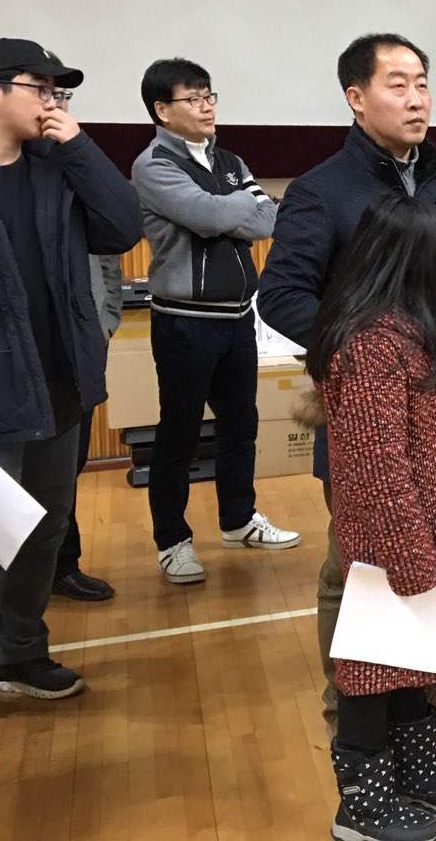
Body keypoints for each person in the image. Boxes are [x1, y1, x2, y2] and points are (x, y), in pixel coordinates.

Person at [257, 33, 436, 735]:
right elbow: (282, 296)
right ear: (356, 98)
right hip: (370, 408)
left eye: (422, 82)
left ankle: (432, 679)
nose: (417, 98)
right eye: (398, 84)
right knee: (359, 559)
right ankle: (351, 696)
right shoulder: (322, 190)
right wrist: (365, 352)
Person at [0, 38, 141, 739]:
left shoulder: (55, 167)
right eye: (40, 88)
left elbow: (123, 226)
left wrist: (77, 145)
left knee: (44, 533)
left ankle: (20, 654)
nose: (53, 102)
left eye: (60, 92)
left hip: (61, 385)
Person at [305, 192, 436, 841]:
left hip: (431, 530)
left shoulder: (408, 328)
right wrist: (409, 557)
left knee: (413, 661)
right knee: (371, 671)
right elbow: (378, 467)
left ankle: (413, 770)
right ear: (411, 257)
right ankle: (362, 808)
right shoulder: (369, 344)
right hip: (395, 540)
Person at [132, 58, 299, 585]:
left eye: (209, 96)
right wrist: (241, 203)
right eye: (193, 98)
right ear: (163, 109)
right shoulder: (154, 164)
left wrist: (231, 208)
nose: (206, 107)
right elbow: (208, 217)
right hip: (184, 320)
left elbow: (269, 221)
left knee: (241, 423)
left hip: (237, 316)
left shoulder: (229, 159)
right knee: (180, 433)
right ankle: (172, 541)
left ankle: (238, 519)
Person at [50, 253, 124, 601]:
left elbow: (108, 254)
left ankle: (62, 567)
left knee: (70, 462)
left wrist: (104, 324)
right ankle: (2, 583)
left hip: (85, 340)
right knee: (18, 469)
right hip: (19, 345)